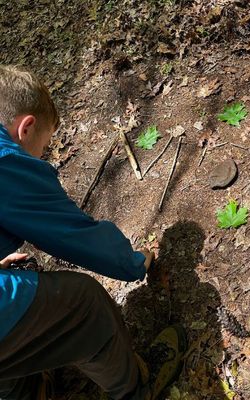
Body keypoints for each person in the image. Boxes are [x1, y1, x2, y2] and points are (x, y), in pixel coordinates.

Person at [0, 65, 186, 400]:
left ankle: (24, 385)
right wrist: (132, 263)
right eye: (44, 145)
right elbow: (75, 235)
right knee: (84, 304)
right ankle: (135, 390)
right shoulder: (6, 164)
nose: (42, 154)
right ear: (26, 127)